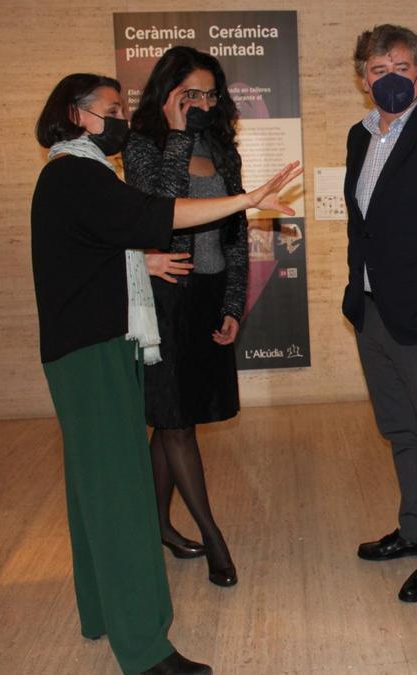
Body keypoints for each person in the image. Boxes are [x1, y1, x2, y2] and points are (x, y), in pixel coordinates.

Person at [31, 72, 300, 675]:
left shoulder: (68, 174)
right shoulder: (76, 172)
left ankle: (99, 611)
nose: (121, 118)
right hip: (93, 349)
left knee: (92, 488)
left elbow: (88, 248)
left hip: (83, 346)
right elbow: (159, 210)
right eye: (110, 109)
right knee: (124, 495)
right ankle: (146, 651)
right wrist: (246, 200)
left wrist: (140, 259)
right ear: (76, 115)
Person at [123, 46, 248, 588]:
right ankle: (213, 535)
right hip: (167, 294)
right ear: (168, 91)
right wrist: (176, 134)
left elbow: (236, 234)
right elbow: (158, 213)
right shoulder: (143, 144)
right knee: (177, 423)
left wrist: (232, 304)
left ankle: (157, 527)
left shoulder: (223, 148)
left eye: (208, 94)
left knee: (174, 415)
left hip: (208, 294)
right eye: (189, 93)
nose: (200, 103)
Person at [342, 25, 417, 603]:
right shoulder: (359, 134)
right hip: (370, 305)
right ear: (363, 79)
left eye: (400, 65)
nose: (390, 77)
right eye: (378, 70)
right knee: (400, 429)